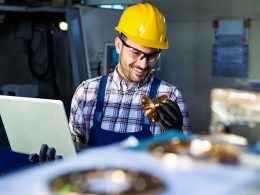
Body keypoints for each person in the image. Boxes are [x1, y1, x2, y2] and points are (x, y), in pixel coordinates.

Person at [30, 3, 191, 162]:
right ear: (118, 45)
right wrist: (56, 161)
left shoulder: (170, 95)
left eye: (152, 56)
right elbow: (73, 154)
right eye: (136, 53)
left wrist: (176, 137)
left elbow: (187, 166)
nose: (143, 64)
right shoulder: (86, 92)